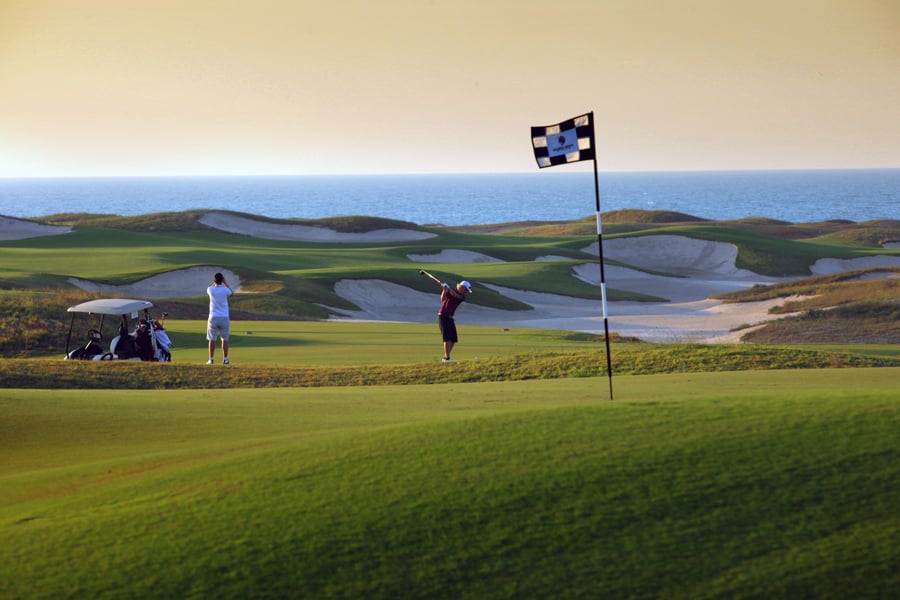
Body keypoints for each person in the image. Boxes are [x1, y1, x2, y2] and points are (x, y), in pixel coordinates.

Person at [437, 279, 472, 362]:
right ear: (462, 287)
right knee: (447, 338)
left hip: (450, 317)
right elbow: (442, 299)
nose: (466, 291)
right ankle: (447, 358)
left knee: (453, 339)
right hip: (443, 316)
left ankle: (446, 356)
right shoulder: (451, 291)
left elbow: (456, 295)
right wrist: (444, 289)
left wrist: (448, 287)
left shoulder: (462, 297)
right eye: (466, 289)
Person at [207, 272, 233, 364]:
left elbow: (211, 287)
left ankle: (211, 359)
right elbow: (231, 293)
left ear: (214, 281)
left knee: (212, 339)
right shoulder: (225, 290)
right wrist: (225, 282)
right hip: (224, 317)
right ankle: (225, 359)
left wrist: (215, 282)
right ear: (222, 280)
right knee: (225, 339)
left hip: (213, 317)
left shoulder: (210, 289)